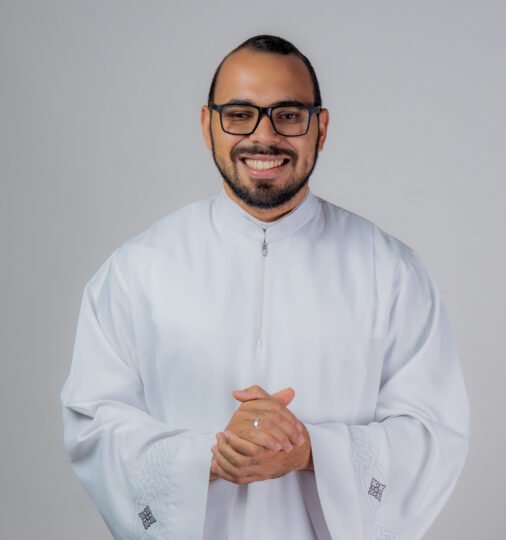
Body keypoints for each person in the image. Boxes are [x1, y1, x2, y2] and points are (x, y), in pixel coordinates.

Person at [61, 34, 470, 540]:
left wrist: (311, 450)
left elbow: (433, 431)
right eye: (239, 114)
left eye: (288, 115)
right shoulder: (137, 271)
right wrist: (209, 458)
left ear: (320, 128)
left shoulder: (389, 272)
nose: (264, 136)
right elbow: (93, 423)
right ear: (207, 125)